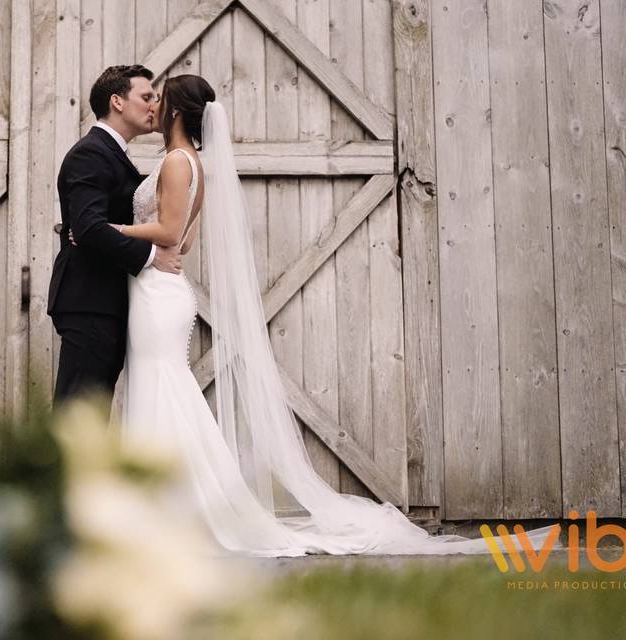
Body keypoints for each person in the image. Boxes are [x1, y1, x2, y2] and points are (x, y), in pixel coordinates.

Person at [71, 73, 558, 556]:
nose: (152, 106)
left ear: (176, 112)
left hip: (157, 291)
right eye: (146, 97)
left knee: (161, 385)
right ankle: (171, 505)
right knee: (163, 385)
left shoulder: (177, 162)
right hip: (159, 287)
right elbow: (186, 239)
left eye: (160, 100)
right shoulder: (195, 163)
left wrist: (109, 227)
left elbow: (170, 231)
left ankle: (170, 510)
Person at [48, 65, 184, 406]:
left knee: (91, 416)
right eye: (146, 96)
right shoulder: (91, 153)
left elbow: (93, 226)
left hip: (108, 303)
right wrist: (154, 256)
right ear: (117, 102)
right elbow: (90, 228)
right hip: (90, 302)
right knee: (77, 416)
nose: (154, 105)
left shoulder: (113, 155)